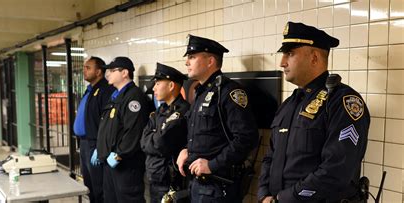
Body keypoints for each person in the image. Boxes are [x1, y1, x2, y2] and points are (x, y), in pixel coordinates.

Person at [258, 22, 370, 202]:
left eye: (290, 53)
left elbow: (336, 170)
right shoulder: (289, 104)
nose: (282, 62)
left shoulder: (342, 102)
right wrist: (264, 194)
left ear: (314, 57)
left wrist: (285, 198)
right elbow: (270, 156)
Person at [176, 35, 259, 203]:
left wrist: (212, 165)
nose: (187, 63)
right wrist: (187, 150)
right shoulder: (201, 92)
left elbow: (247, 138)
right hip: (197, 184)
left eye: (192, 57)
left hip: (218, 188)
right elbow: (204, 134)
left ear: (210, 61)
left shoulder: (229, 92)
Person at [96, 56, 153, 203]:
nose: (108, 74)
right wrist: (100, 148)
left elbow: (133, 131)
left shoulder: (134, 97)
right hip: (110, 162)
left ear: (124, 73)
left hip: (125, 164)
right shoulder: (116, 95)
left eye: (112, 70)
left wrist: (118, 154)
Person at [140, 63, 190, 203]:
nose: (154, 88)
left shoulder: (182, 111)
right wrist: (154, 137)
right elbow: (143, 141)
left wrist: (154, 137)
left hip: (171, 181)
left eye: (157, 83)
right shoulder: (159, 111)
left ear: (171, 86)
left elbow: (161, 143)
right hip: (155, 177)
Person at [73, 57, 115, 203]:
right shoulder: (90, 89)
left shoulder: (105, 90)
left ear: (98, 71)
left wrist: (99, 146)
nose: (84, 70)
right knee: (89, 186)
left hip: (95, 144)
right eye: (84, 67)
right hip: (84, 144)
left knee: (98, 187)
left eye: (88, 67)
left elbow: (107, 122)